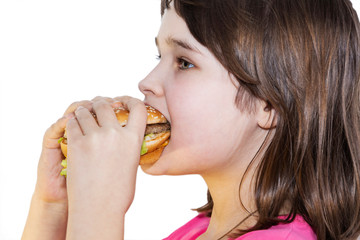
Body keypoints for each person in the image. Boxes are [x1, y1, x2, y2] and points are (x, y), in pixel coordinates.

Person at [22, 0, 360, 239]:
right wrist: (54, 206)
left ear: (270, 104)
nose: (147, 82)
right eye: (159, 55)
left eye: (184, 62)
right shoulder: (201, 231)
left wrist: (99, 211)